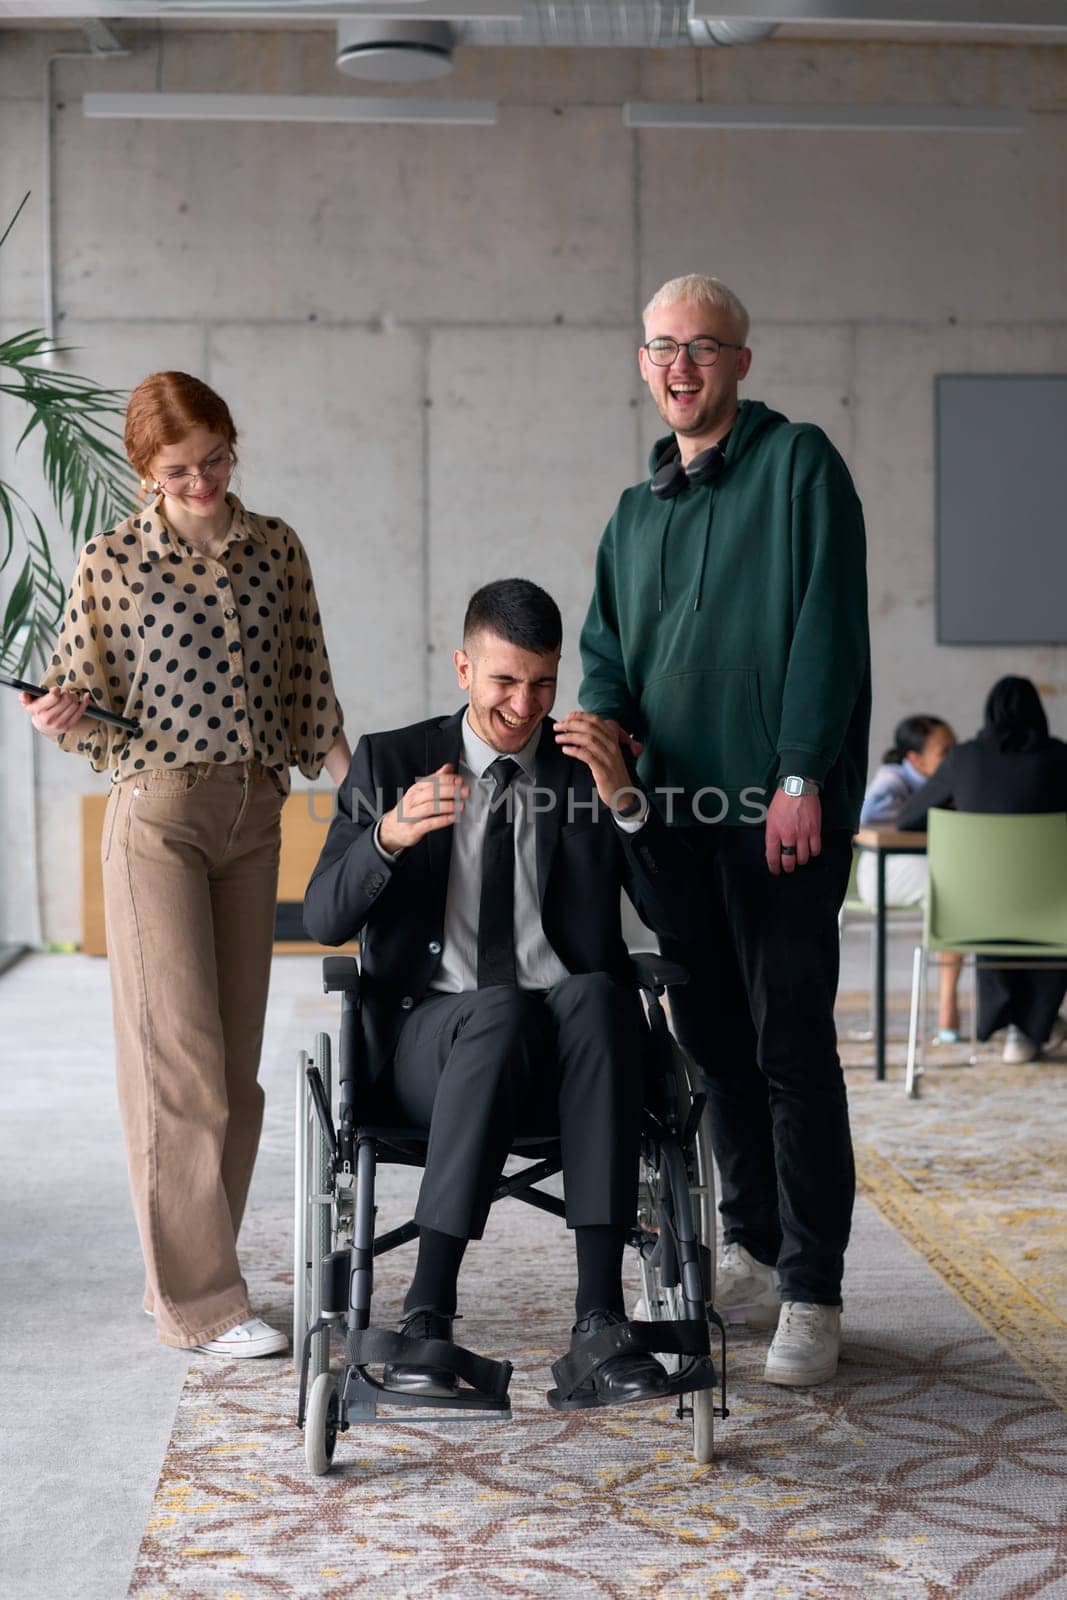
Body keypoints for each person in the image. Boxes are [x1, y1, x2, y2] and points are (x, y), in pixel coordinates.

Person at [303, 578, 698, 1407]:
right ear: (462, 668)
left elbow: (675, 918)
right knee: (499, 1006)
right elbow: (324, 916)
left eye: (543, 683)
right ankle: (425, 1316)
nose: (524, 705)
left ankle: (600, 1324)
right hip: (433, 1042)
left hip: (567, 1050)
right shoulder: (393, 761)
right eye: (503, 681)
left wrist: (626, 802)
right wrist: (390, 832)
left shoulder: (588, 765)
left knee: (594, 995)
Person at [579, 273, 871, 1387]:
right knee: (712, 1045)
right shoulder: (631, 512)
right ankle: (749, 1240)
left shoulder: (799, 467)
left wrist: (800, 772)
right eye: (662, 347)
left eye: (703, 346)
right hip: (674, 825)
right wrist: (596, 748)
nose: (681, 366)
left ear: (740, 362)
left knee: (789, 1044)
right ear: (642, 363)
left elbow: (826, 628)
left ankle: (813, 1287)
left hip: (774, 817)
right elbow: (607, 658)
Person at [21, 371, 349, 1356]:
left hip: (256, 819)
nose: (201, 480)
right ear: (144, 473)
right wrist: (55, 712)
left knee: (235, 1078)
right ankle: (202, 1303)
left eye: (214, 458)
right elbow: (72, 694)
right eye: (178, 469)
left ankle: (188, 1276)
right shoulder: (109, 562)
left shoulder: (275, 548)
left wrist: (363, 789)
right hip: (157, 820)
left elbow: (307, 685)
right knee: (181, 1073)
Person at [897, 675, 1067, 1065]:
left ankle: (1014, 1026)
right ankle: (1033, 1026)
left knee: (999, 903)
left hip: (976, 913)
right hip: (1054, 908)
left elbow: (908, 819)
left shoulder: (964, 758)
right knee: (1043, 907)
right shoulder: (1061, 758)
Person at [859, 714, 962, 1042]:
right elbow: (865, 819)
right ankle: (948, 1006)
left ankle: (948, 1004)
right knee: (954, 891)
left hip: (926, 865)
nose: (954, 758)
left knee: (956, 888)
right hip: (883, 872)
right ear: (915, 759)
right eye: (945, 752)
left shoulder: (948, 782)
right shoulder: (892, 780)